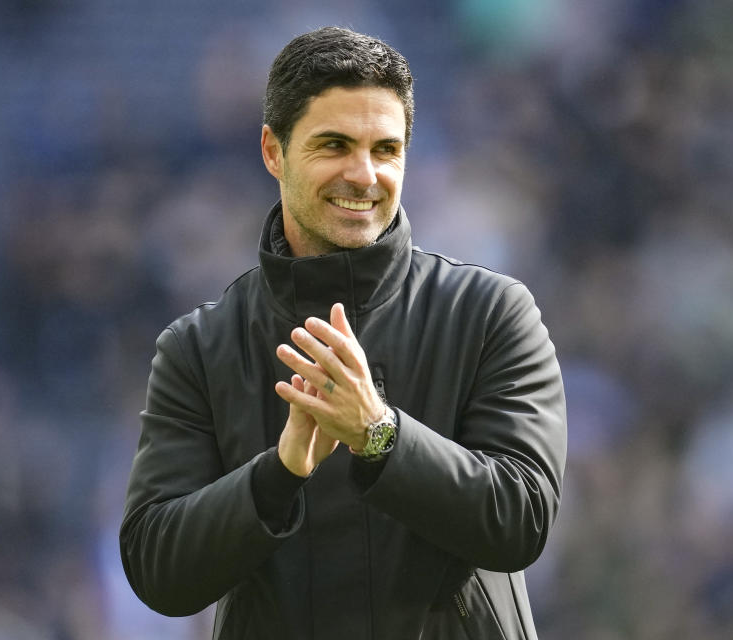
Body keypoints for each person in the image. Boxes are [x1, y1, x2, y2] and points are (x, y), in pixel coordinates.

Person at [120, 26, 567, 640]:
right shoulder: (197, 347)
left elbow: (524, 520)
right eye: (334, 145)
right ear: (273, 151)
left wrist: (380, 436)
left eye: (386, 149)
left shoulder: (492, 312)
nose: (364, 174)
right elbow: (156, 569)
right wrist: (276, 475)